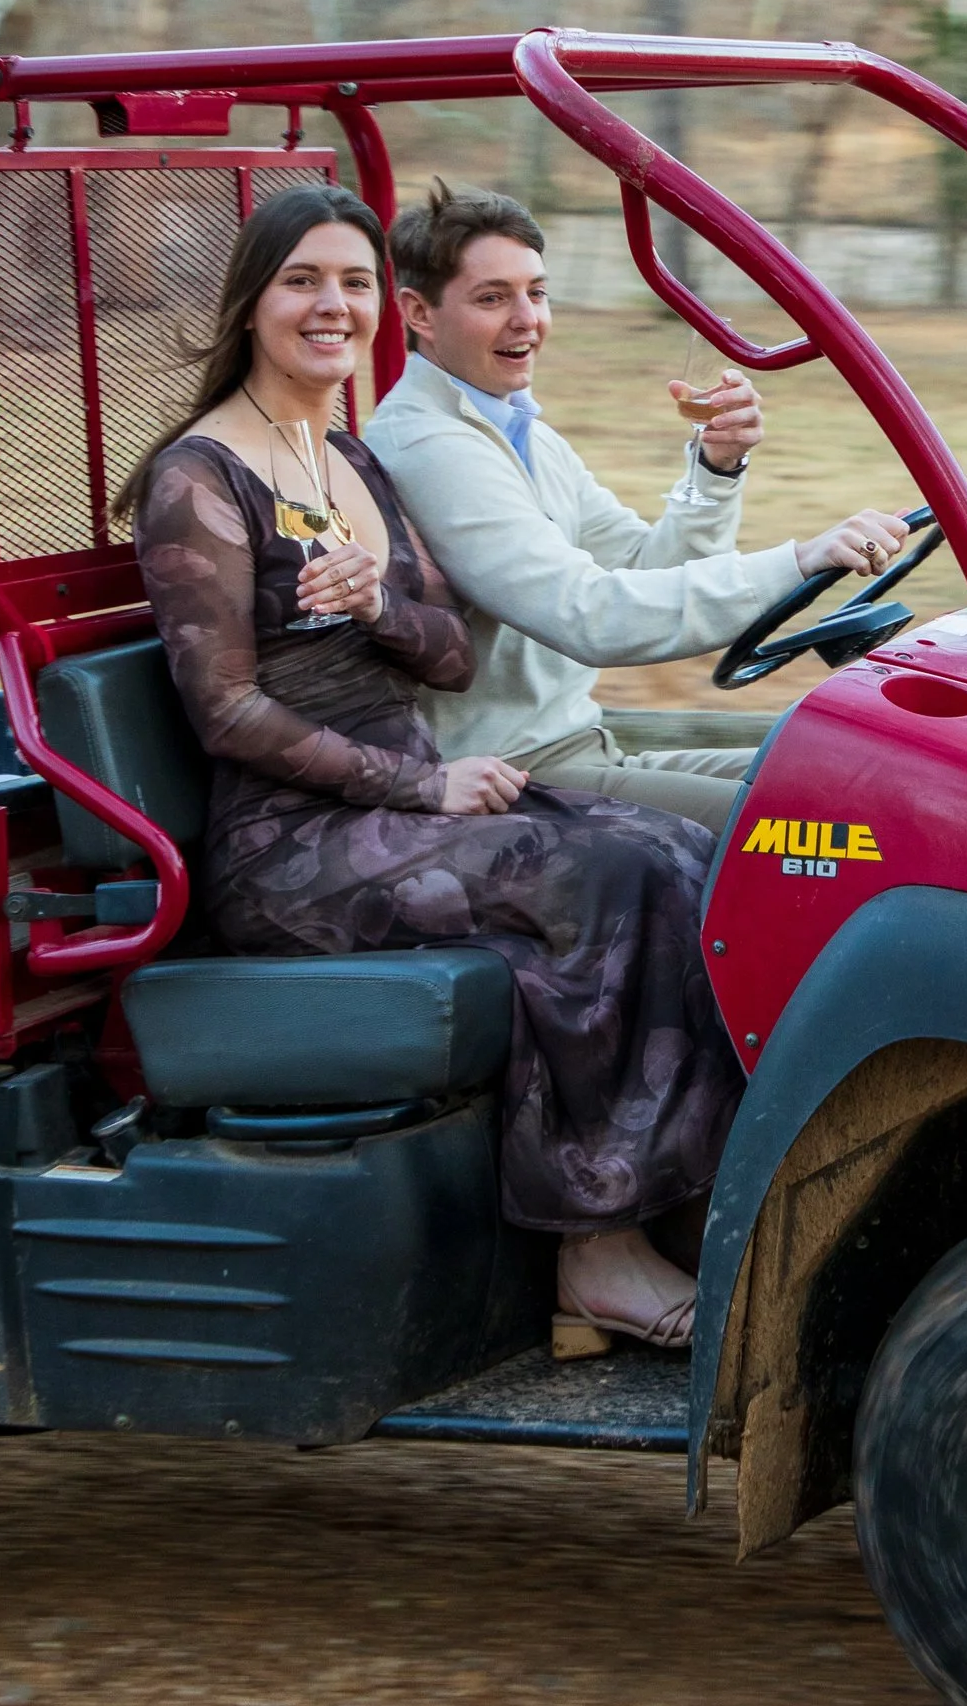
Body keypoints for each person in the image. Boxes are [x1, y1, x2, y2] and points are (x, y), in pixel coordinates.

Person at [119, 181, 739, 1352]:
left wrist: (382, 605)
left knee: (676, 846)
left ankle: (680, 1204)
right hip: (295, 850)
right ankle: (593, 1251)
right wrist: (421, 786)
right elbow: (228, 713)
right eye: (303, 279)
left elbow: (453, 657)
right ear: (254, 299)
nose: (331, 304)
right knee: (607, 873)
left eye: (352, 283)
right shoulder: (199, 479)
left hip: (402, 813)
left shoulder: (349, 459)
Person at [363, 182, 913, 831]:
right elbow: (592, 618)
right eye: (492, 298)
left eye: (536, 293)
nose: (527, 320)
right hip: (506, 781)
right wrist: (798, 561)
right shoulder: (431, 446)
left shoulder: (516, 428)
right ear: (419, 314)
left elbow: (646, 566)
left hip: (577, 748)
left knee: (859, 774)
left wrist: (716, 468)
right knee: (832, 829)